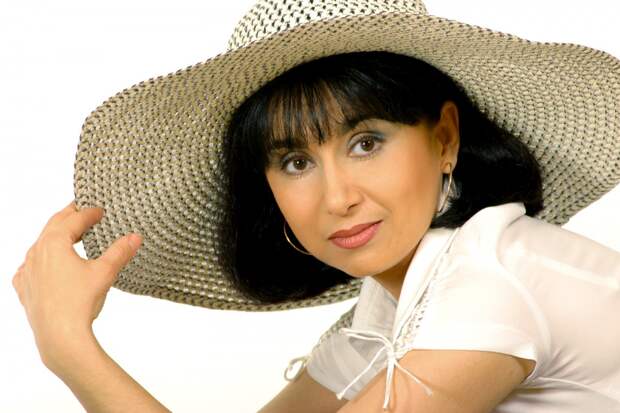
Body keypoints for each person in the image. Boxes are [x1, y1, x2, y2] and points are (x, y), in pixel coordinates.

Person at [11, 0, 620, 412]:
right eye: (295, 162)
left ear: (444, 139)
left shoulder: (493, 278)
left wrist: (69, 347)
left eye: (366, 143)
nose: (337, 198)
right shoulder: (393, 302)